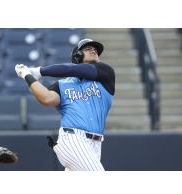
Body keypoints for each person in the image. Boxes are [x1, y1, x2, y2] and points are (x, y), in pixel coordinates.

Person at [15, 38, 115, 171]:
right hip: (72, 139)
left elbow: (70, 69)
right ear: (77, 56)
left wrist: (39, 71)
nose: (93, 50)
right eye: (87, 48)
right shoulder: (62, 85)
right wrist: (28, 75)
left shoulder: (105, 74)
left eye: (95, 49)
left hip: (96, 144)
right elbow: (46, 99)